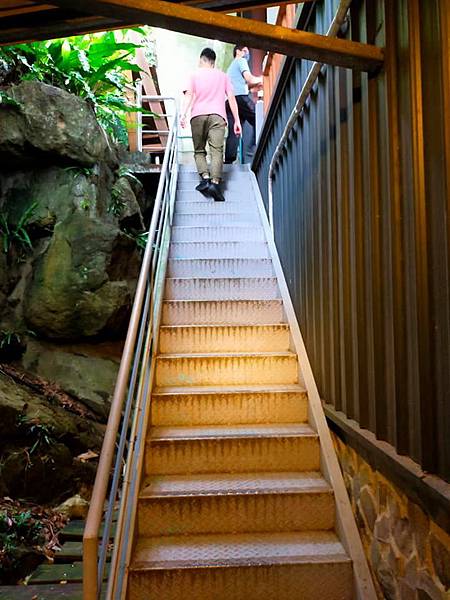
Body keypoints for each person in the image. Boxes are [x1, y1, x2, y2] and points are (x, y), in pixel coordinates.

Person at [181, 47, 242, 202]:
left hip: (198, 116)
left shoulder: (193, 75)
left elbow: (188, 95)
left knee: (199, 150)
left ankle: (205, 178)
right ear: (213, 63)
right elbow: (231, 98)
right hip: (218, 116)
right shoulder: (223, 76)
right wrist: (237, 121)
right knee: (217, 151)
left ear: (202, 60)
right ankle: (215, 183)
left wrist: (183, 114)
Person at [225, 45, 262, 164]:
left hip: (229, 100)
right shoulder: (240, 60)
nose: (247, 54)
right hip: (240, 97)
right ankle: (255, 147)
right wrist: (261, 79)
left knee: (234, 130)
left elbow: (245, 84)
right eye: (245, 51)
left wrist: (253, 86)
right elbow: (249, 78)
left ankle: (229, 161)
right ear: (238, 51)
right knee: (258, 118)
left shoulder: (231, 68)